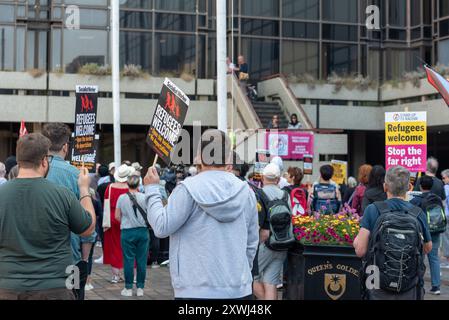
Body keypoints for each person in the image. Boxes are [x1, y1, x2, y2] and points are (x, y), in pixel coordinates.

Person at [144, 129, 259, 299]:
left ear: (199, 156)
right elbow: (252, 241)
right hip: (239, 289)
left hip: (194, 289)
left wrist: (152, 189)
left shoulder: (187, 189)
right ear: (228, 158)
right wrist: (238, 273)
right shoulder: (246, 191)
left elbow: (161, 227)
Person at [0, 133, 96, 300]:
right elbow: (87, 229)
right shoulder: (62, 195)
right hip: (55, 288)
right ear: (44, 161)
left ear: (19, 161)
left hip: (8, 287)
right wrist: (84, 189)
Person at [354, 166, 432, 300]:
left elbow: (360, 250)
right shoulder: (418, 213)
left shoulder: (373, 210)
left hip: (376, 283)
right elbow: (427, 247)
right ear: (409, 187)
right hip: (410, 285)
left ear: (385, 186)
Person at [42, 122, 94, 300]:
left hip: (36, 261)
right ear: (65, 147)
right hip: (70, 259)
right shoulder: (77, 175)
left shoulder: (28, 172)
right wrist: (85, 260)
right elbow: (87, 224)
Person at [253, 163, 290, 300]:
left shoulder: (259, 194)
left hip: (264, 243)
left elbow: (256, 222)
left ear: (263, 177)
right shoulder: (285, 195)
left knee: (251, 278)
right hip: (282, 242)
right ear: (278, 179)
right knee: (270, 282)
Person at [115, 175, 150, 297]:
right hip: (142, 231)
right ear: (138, 184)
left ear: (127, 184)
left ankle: (128, 288)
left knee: (128, 260)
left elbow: (117, 216)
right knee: (142, 260)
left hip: (127, 231)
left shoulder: (121, 198)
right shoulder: (144, 197)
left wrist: (126, 221)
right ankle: (140, 288)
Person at [410, 175, 444, 295]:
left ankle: (420, 284)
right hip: (435, 230)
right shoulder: (437, 199)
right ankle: (436, 286)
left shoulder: (416, 200)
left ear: (420, 186)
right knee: (434, 258)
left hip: (422, 233)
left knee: (420, 258)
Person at [103, 164, 135, 283]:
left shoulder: (110, 187)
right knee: (129, 246)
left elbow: (105, 203)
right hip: (127, 218)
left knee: (114, 246)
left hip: (112, 220)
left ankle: (115, 275)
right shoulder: (131, 188)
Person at [441, 169, 449, 269]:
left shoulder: (446, 188)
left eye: (444, 178)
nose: (443, 180)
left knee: (446, 237)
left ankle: (448, 261)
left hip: (447, 215)